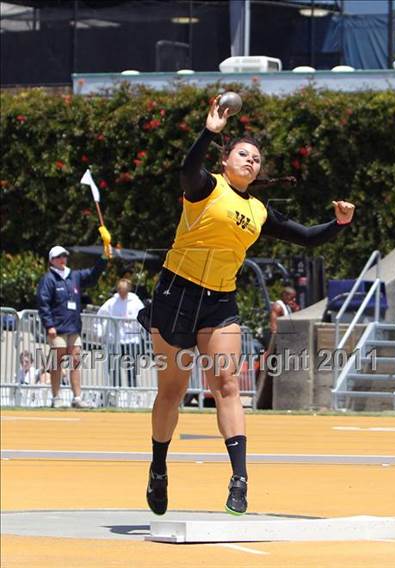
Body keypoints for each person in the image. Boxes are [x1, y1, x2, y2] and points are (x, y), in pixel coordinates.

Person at [137, 96, 355, 516]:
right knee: (172, 391)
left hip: (219, 301)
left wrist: (340, 224)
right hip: (176, 294)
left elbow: (307, 236)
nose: (252, 162)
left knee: (229, 386)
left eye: (257, 158)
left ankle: (239, 479)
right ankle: (159, 468)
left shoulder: (257, 210)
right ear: (226, 161)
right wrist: (210, 131)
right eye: (243, 154)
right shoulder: (206, 188)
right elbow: (187, 170)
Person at [37, 227, 112, 408]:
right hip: (57, 329)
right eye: (59, 257)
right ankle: (55, 397)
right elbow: (43, 302)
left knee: (76, 361)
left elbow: (93, 276)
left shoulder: (75, 276)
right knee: (57, 362)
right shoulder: (48, 279)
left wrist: (104, 257)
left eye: (65, 256)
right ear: (52, 261)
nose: (63, 259)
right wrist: (49, 325)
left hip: (74, 327)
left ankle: (77, 397)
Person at [97, 278, 144, 387]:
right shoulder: (111, 302)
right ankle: (115, 392)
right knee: (114, 369)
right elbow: (99, 315)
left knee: (131, 369)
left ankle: (132, 392)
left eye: (124, 292)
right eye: (120, 292)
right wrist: (100, 332)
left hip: (131, 341)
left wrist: (137, 326)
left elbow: (143, 317)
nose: (122, 295)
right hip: (115, 340)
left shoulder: (136, 302)